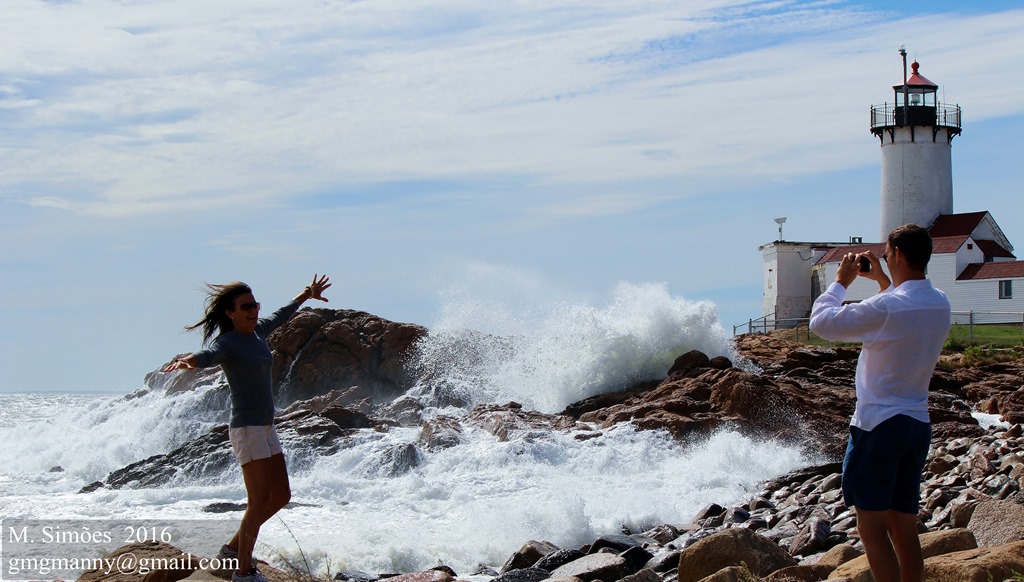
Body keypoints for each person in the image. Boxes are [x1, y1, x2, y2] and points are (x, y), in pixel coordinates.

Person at [162, 274, 331, 582]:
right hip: (247, 429)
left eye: (255, 305)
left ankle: (231, 550)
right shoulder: (228, 342)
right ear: (230, 313)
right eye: (246, 307)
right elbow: (209, 355)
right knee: (258, 503)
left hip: (265, 427)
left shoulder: (258, 332)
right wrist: (190, 360)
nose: (253, 311)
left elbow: (281, 315)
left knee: (280, 496)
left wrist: (306, 294)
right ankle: (243, 572)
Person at [809, 225, 950, 582]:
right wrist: (884, 281)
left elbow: (821, 323)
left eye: (887, 255)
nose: (885, 259)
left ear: (898, 254)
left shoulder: (887, 307)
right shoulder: (940, 302)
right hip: (916, 424)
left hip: (878, 427)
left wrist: (840, 282)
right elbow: (901, 308)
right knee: (903, 527)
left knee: (871, 528)